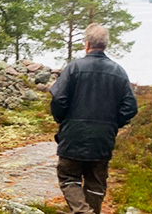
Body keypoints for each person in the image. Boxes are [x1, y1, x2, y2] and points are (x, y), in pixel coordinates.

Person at [49, 23, 138, 214]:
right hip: (103, 139)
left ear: (87, 44)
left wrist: (62, 120)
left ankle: (83, 212)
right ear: (105, 45)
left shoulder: (73, 68)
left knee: (68, 178)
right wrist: (112, 124)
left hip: (73, 136)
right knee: (95, 185)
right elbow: (130, 107)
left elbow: (58, 99)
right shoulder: (119, 72)